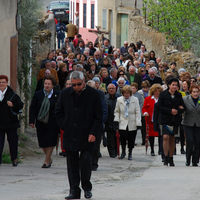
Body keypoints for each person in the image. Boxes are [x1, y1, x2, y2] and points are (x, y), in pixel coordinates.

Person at [55, 71, 103, 199]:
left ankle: (87, 188)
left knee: (86, 162)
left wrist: (94, 132)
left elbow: (99, 116)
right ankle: (74, 190)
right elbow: (58, 112)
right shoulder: (65, 94)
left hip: (87, 134)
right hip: (70, 133)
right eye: (74, 85)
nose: (76, 87)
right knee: (72, 164)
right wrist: (64, 125)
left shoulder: (93, 95)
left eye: (78, 84)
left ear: (84, 82)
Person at [29, 75, 60, 168]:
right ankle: (49, 157)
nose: (47, 86)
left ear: (53, 85)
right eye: (45, 83)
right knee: (42, 142)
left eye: (49, 84)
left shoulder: (58, 94)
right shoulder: (38, 94)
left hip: (53, 122)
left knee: (51, 141)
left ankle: (46, 160)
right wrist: (31, 120)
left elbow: (60, 108)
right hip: (41, 121)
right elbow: (33, 108)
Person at [157, 78, 185, 166]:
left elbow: (182, 107)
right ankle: (165, 157)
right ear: (169, 85)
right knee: (165, 137)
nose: (174, 87)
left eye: (176, 85)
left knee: (172, 138)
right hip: (165, 119)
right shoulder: (163, 94)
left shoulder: (179, 95)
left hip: (175, 120)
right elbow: (159, 107)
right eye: (173, 85)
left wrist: (177, 111)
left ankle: (171, 157)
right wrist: (170, 111)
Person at [0, 75, 24, 166]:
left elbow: (20, 105)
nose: (1, 84)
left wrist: (13, 105)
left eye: (3, 82)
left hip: (11, 123)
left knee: (13, 141)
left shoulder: (12, 94)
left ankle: (14, 158)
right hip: (0, 123)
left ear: (6, 83)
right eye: (0, 82)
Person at [114, 85, 141, 160]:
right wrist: (116, 120)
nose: (126, 95)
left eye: (128, 93)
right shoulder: (119, 100)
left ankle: (130, 153)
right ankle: (123, 152)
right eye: (125, 93)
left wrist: (138, 123)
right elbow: (117, 111)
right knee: (122, 138)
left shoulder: (135, 99)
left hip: (132, 121)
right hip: (123, 121)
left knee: (131, 139)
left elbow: (137, 111)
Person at [142, 84, 163, 156]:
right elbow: (144, 108)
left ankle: (160, 150)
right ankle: (152, 150)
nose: (157, 92)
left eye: (158, 91)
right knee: (151, 136)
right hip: (150, 120)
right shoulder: (148, 99)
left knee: (161, 135)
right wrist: (145, 112)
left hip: (160, 120)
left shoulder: (162, 99)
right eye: (155, 91)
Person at [182, 85, 200, 166]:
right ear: (190, 92)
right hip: (188, 123)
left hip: (198, 123)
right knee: (190, 140)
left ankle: (195, 160)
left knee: (198, 141)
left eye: (197, 92)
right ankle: (188, 159)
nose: (195, 94)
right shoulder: (185, 99)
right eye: (194, 92)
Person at [105, 84, 121, 157]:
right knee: (110, 138)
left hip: (118, 120)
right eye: (110, 88)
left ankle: (117, 151)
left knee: (117, 137)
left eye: (113, 88)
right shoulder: (105, 98)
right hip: (109, 120)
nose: (111, 90)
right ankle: (112, 153)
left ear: (115, 89)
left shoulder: (119, 97)